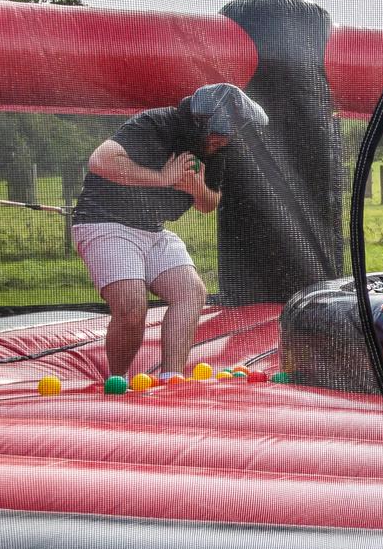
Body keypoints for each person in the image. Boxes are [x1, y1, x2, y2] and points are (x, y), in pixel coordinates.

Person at [71, 83, 268, 381]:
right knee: (131, 304)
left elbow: (209, 203)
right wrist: (162, 177)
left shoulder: (217, 148)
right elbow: (101, 161)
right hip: (105, 223)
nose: (224, 140)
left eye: (231, 133)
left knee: (191, 293)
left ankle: (171, 378)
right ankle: (116, 380)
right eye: (220, 133)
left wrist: (196, 188)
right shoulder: (156, 124)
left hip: (152, 230)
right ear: (201, 122)